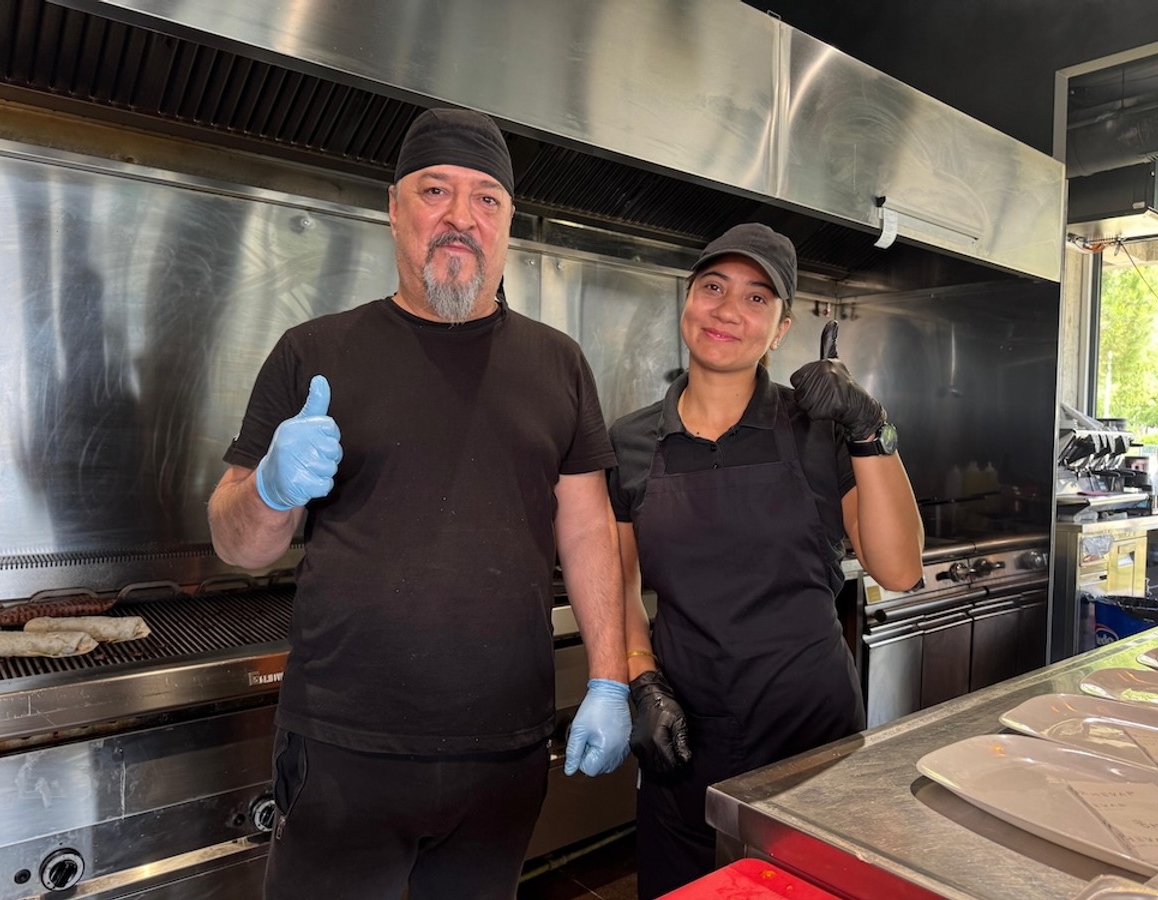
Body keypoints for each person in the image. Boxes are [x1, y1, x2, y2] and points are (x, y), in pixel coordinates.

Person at [207, 107, 632, 900]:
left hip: (503, 750)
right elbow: (241, 545)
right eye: (435, 191)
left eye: (487, 199)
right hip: (344, 746)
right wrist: (268, 487)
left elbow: (588, 527)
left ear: (509, 223)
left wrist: (608, 679)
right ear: (394, 209)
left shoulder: (559, 364)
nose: (460, 217)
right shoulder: (313, 353)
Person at [607, 222, 924, 898]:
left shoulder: (822, 430)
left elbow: (897, 569)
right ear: (686, 301)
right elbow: (618, 586)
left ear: (781, 329)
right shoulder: (631, 443)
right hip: (683, 735)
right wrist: (638, 678)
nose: (728, 310)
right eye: (714, 287)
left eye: (757, 299)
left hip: (811, 737)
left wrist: (874, 430)